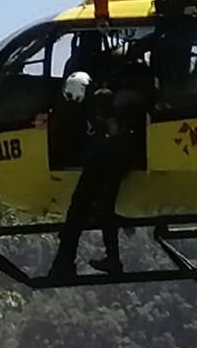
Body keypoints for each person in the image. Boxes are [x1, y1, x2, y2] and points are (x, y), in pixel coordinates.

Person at [49, 38, 156, 278]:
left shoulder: (104, 100)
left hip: (113, 156)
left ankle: (107, 261)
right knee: (84, 206)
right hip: (105, 156)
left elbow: (116, 132)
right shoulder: (92, 102)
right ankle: (67, 261)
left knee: (98, 206)